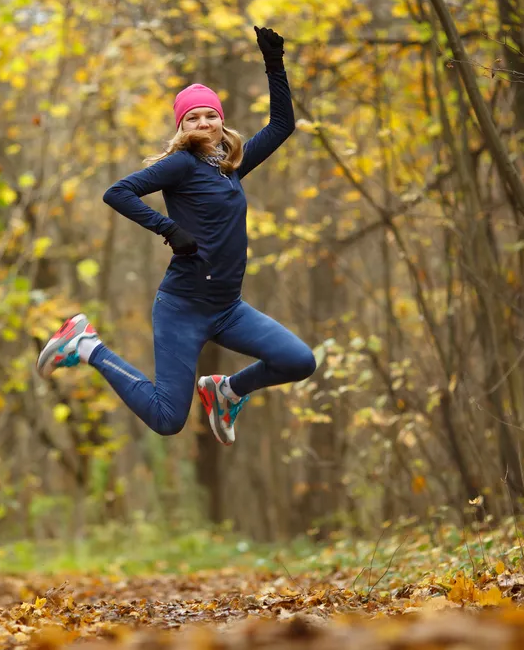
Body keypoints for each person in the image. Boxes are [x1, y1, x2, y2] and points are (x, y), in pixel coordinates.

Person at [37, 26, 317, 445]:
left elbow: (282, 124)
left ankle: (227, 391)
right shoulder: (181, 165)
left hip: (227, 308)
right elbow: (118, 192)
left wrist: (274, 64)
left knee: (299, 360)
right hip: (183, 308)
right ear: (182, 126)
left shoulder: (230, 168)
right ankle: (86, 345)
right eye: (193, 117)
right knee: (169, 419)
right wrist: (169, 229)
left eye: (211, 115)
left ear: (222, 122)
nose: (204, 122)